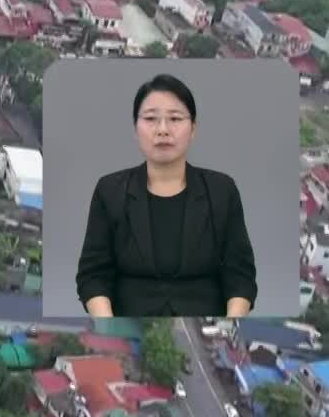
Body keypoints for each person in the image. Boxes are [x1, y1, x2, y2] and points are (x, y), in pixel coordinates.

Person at [76, 73, 257, 318]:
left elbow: (241, 275)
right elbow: (93, 275)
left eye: (175, 118)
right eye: (151, 119)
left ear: (193, 128)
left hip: (205, 323)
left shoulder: (221, 191)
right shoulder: (110, 190)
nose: (163, 130)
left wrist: (229, 325)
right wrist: (109, 327)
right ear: (135, 128)